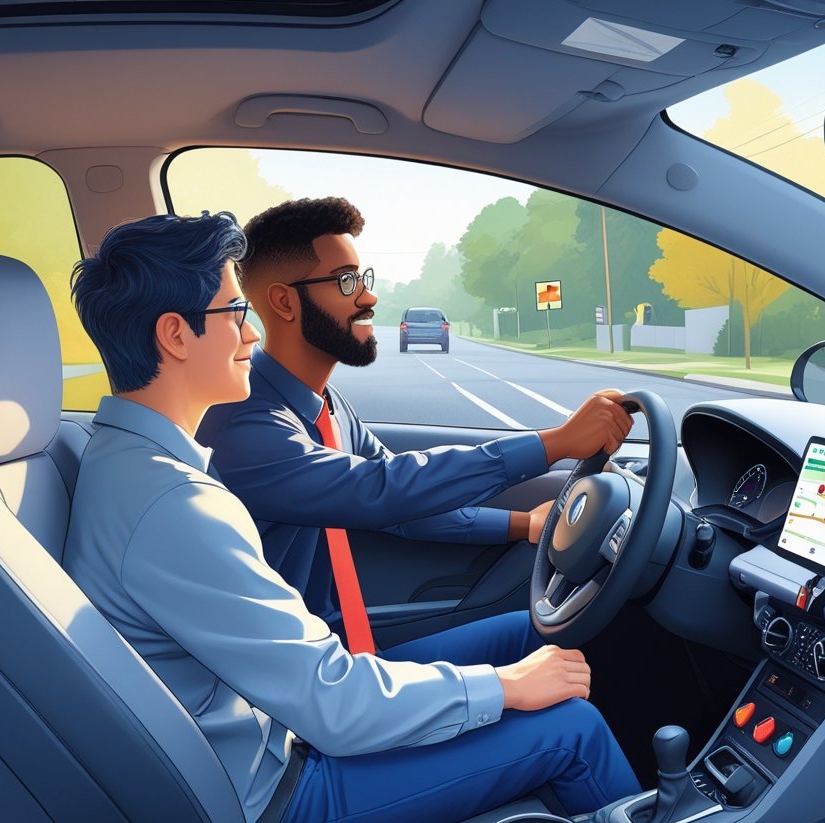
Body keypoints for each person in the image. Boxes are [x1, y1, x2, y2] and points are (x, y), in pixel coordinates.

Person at [62, 211, 640, 823]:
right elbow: (332, 701)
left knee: (538, 635)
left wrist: (520, 527)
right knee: (572, 730)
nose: (251, 333)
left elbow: (397, 495)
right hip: (278, 785)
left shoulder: (129, 462)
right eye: (234, 312)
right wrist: (506, 688)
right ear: (176, 335)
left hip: (277, 721)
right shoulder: (177, 503)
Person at [197, 196, 633, 657]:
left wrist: (522, 524)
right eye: (345, 281)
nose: (369, 297)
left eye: (363, 278)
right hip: (294, 671)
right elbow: (382, 488)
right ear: (284, 301)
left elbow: (406, 506)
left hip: (335, 647)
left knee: (546, 638)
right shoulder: (245, 424)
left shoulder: (327, 406)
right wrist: (555, 444)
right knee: (559, 670)